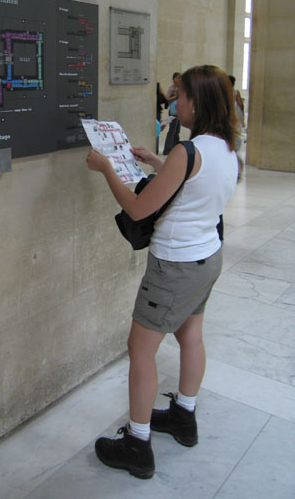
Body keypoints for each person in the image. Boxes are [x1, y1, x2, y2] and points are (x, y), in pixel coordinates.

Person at [86, 65, 238, 479]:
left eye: (180, 95)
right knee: (191, 336)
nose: (174, 102)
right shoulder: (225, 146)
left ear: (197, 102)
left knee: (140, 350)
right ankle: (184, 417)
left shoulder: (188, 152)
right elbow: (195, 186)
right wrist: (158, 161)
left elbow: (138, 208)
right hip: (207, 258)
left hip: (175, 267)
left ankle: (137, 445)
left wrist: (107, 169)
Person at [228, 75, 245, 180]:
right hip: (234, 119)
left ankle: (236, 169)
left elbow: (240, 105)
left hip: (232, 119)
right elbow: (241, 105)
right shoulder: (233, 92)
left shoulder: (232, 92)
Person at [162, 72, 181, 154]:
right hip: (173, 111)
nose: (179, 79)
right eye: (178, 78)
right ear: (174, 79)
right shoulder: (172, 88)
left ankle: (175, 147)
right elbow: (167, 98)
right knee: (172, 130)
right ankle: (167, 149)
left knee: (177, 130)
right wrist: (176, 96)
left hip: (178, 111)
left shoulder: (180, 88)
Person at [156, 83, 169, 154]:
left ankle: (155, 149)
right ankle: (155, 149)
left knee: (156, 131)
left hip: (156, 113)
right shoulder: (158, 95)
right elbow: (165, 100)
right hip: (156, 114)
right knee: (156, 131)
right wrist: (162, 91)